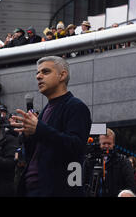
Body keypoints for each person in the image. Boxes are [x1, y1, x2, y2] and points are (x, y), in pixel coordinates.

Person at [12, 56, 92, 197]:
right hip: (32, 188)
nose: (38, 77)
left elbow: (76, 146)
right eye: (37, 73)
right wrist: (29, 135)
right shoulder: (45, 111)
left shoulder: (75, 107)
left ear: (62, 75)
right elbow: (38, 152)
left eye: (45, 72)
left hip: (57, 190)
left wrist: (39, 129)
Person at [83, 129, 135, 197]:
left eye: (109, 143)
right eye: (104, 143)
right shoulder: (89, 161)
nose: (106, 146)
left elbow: (130, 187)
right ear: (99, 144)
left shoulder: (123, 162)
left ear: (113, 144)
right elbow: (83, 184)